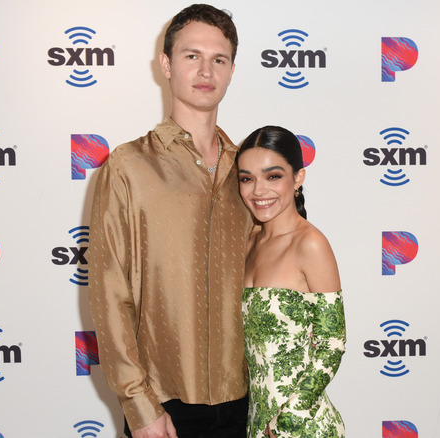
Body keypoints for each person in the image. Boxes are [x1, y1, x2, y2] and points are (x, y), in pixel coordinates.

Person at [88, 5, 253, 438]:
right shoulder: (128, 166)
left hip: (248, 403)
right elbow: (110, 292)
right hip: (164, 406)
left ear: (232, 70)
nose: (205, 70)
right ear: (166, 64)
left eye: (219, 59)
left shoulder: (251, 173)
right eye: (191, 56)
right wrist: (139, 404)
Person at [236, 126, 347, 438]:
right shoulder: (248, 242)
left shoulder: (310, 244)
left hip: (302, 426)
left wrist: (287, 422)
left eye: (273, 176)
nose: (258, 190)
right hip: (256, 422)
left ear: (298, 178)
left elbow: (331, 344)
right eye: (247, 178)